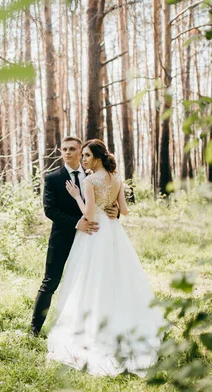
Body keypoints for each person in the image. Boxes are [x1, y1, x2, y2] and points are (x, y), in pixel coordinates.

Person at [46, 139, 165, 377]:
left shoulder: (90, 180)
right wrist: (114, 209)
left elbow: (88, 214)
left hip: (94, 233)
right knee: (117, 274)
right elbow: (125, 209)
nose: (84, 160)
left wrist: (77, 195)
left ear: (97, 157)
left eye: (87, 156)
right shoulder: (117, 178)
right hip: (113, 232)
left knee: (91, 278)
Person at [30, 136, 119, 337]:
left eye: (72, 149)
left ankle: (87, 329)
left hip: (92, 238)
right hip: (62, 237)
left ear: (81, 152)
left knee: (91, 282)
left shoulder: (94, 175)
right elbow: (50, 210)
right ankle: (34, 329)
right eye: (64, 149)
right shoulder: (53, 178)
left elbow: (107, 201)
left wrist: (116, 211)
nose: (67, 152)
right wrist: (77, 223)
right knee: (50, 282)